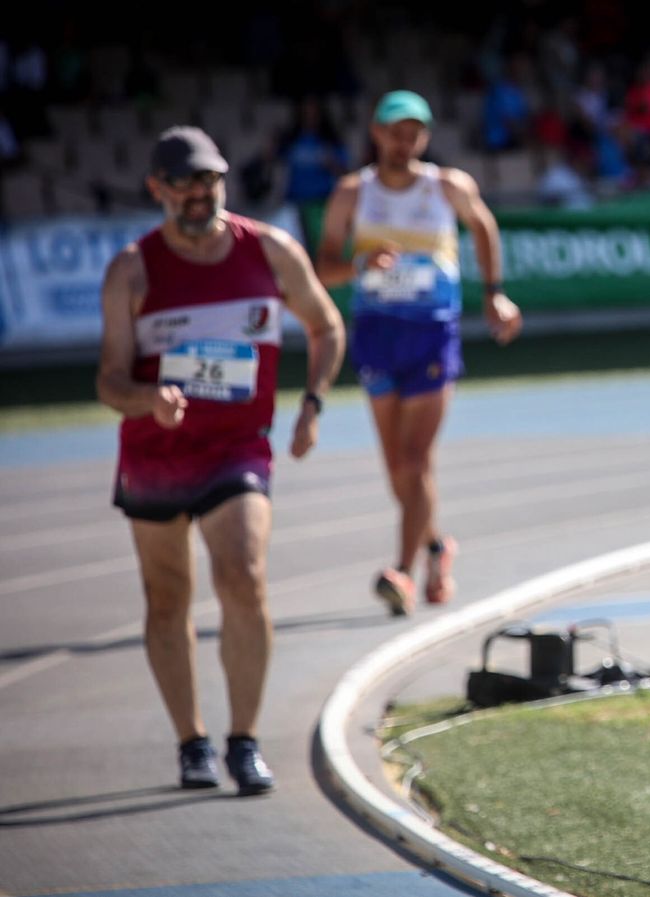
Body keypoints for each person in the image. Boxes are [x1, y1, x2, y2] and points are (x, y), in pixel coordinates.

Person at [96, 126, 345, 795]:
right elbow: (109, 380)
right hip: (155, 453)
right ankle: (191, 742)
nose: (199, 193)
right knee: (167, 596)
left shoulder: (269, 250)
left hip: (237, 448)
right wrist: (147, 398)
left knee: (245, 574)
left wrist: (312, 403)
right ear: (158, 189)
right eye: (184, 183)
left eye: (209, 180)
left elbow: (326, 325)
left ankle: (244, 739)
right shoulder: (133, 269)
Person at [314, 90, 522, 616]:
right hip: (377, 333)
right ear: (377, 132)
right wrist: (364, 266)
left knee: (416, 459)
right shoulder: (350, 193)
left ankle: (402, 573)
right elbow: (324, 269)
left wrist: (493, 291)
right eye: (395, 130)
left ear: (424, 137)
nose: (405, 141)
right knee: (399, 473)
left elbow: (483, 225)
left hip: (432, 332)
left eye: (415, 132)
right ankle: (436, 547)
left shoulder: (446, 185)